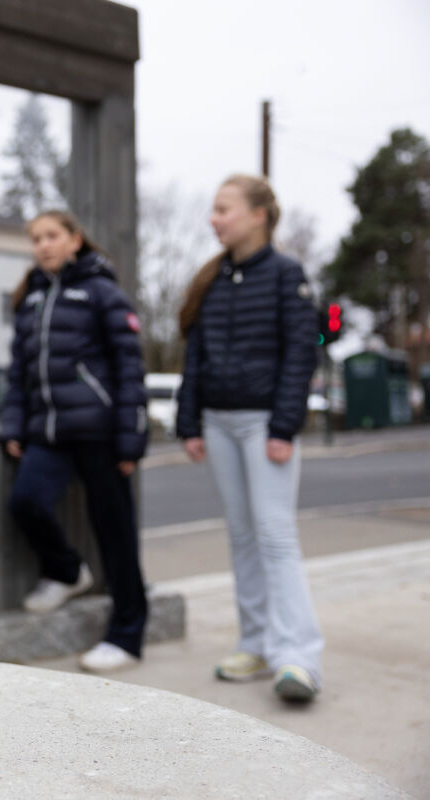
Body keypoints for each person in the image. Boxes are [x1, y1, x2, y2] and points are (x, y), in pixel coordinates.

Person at [175, 175, 323, 702]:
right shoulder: (210, 280)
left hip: (264, 425)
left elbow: (302, 351)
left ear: (258, 214)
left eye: (224, 209)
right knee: (241, 535)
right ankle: (256, 645)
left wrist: (284, 425)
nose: (214, 219)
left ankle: (299, 658)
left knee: (276, 535)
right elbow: (195, 359)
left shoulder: (287, 274)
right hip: (217, 422)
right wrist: (188, 423)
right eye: (213, 211)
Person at [0, 210, 149, 674]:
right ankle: (66, 570)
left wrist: (130, 440)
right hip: (48, 432)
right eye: (36, 238)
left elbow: (129, 368)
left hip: (100, 433)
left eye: (52, 236)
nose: (43, 244)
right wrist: (13, 426)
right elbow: (19, 374)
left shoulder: (102, 292)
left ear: (75, 240)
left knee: (115, 533)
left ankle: (127, 635)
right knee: (25, 502)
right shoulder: (31, 300)